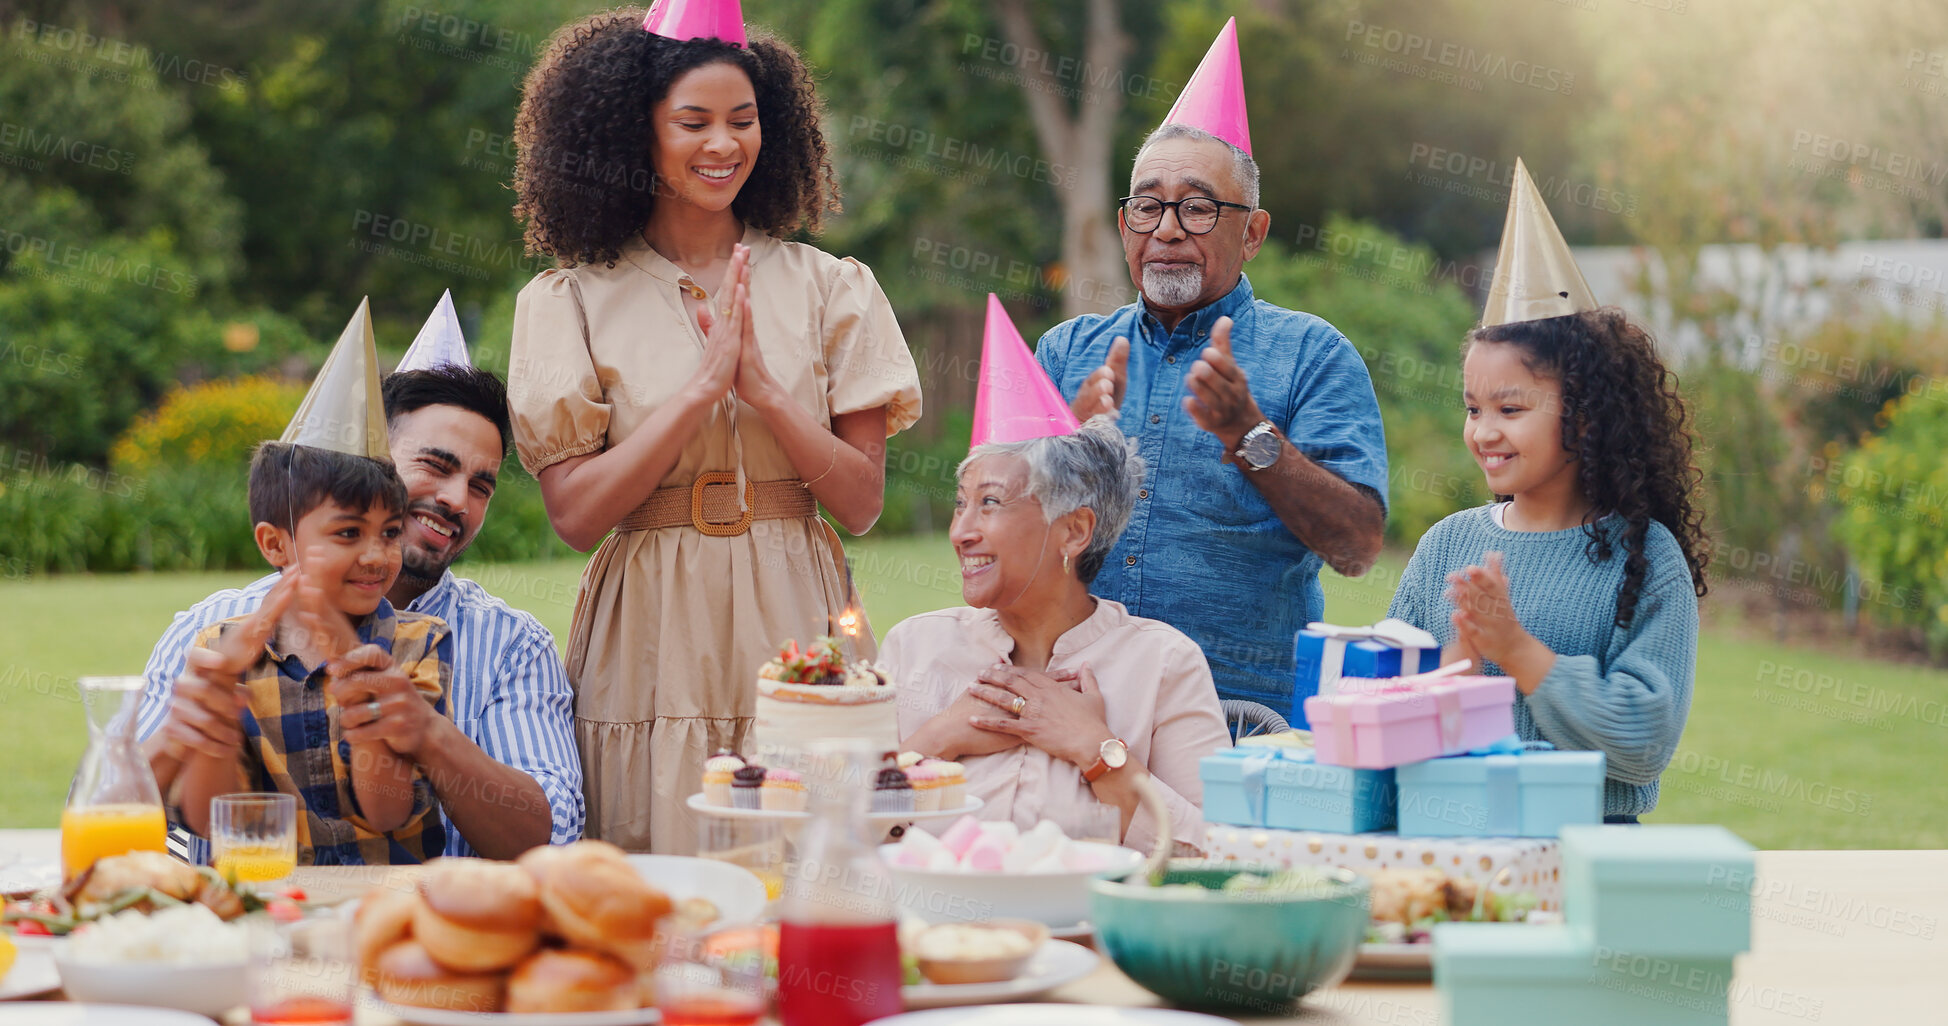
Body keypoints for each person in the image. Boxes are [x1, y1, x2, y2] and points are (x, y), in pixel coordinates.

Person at [508, 5, 921, 853]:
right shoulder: (571, 299)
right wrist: (697, 393)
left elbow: (862, 501)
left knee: (814, 842)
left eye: (743, 120)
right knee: (659, 853)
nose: (723, 144)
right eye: (692, 122)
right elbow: (576, 515)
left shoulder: (830, 286)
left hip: (797, 604)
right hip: (652, 622)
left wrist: (765, 391)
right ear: (636, 134)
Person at [1034, 23, 1387, 711]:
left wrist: (1251, 437)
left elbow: (1357, 547)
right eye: (1148, 206)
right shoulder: (1064, 352)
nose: (1167, 228)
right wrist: (1060, 454)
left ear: (1252, 232)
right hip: (1073, 700)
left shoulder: (1313, 355)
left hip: (1241, 719)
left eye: (1197, 207)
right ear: (1123, 224)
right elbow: (994, 539)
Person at [140, 362, 584, 859]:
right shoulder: (211, 632)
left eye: (481, 486)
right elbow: (116, 815)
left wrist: (429, 735)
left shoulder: (507, 644)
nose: (457, 499)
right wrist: (191, 733)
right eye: (436, 466)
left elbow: (555, 838)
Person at [1385, 160, 1710, 822]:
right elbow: (1387, 715)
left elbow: (1643, 742)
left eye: (1510, 408)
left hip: (1590, 858)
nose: (1483, 432)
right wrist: (1461, 659)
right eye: (1473, 408)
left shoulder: (1643, 556)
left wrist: (1517, 650)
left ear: (1586, 412)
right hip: (1450, 845)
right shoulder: (1447, 545)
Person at [886, 416, 1231, 855]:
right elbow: (837, 832)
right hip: (931, 923)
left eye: (989, 503)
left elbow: (1216, 858)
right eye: (960, 504)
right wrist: (938, 739)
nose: (960, 532)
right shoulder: (914, 647)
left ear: (1073, 531)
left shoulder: (1164, 663)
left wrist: (1095, 750)